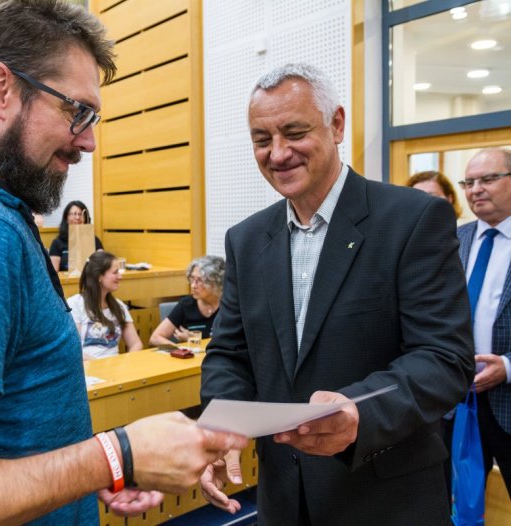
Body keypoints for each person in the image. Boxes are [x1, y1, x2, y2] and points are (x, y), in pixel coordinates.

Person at [0, 2, 247, 525]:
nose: (89, 140)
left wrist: (90, 473)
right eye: (75, 110)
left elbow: (3, 433)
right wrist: (117, 455)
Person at [198, 63, 474, 526]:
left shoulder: (412, 219)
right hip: (283, 501)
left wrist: (358, 411)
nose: (278, 153)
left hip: (386, 499)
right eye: (262, 140)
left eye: (294, 132)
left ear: (337, 124)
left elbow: (444, 359)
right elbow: (229, 353)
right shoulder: (245, 240)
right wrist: (221, 427)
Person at [456, 147, 511, 497]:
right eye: (469, 182)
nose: (476, 189)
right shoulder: (451, 239)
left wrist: (507, 367)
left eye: (488, 179)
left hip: (507, 401)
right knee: (457, 502)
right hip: (454, 402)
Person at [68, 250, 143, 359]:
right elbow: (73, 349)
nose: (120, 276)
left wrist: (126, 363)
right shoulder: (75, 304)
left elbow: (136, 344)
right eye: (115, 272)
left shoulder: (119, 306)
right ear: (99, 276)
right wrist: (99, 366)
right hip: (87, 369)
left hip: (115, 369)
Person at [149, 255, 224, 347]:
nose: (193, 285)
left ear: (215, 282)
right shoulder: (186, 304)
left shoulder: (229, 305)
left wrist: (194, 340)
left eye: (199, 280)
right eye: (192, 279)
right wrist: (181, 350)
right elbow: (155, 338)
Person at [49, 199, 104, 271]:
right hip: (67, 281)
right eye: (74, 214)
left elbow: (102, 265)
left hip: (89, 280)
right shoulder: (57, 243)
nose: (77, 217)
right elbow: (54, 272)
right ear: (66, 218)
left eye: (80, 214)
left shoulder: (94, 240)